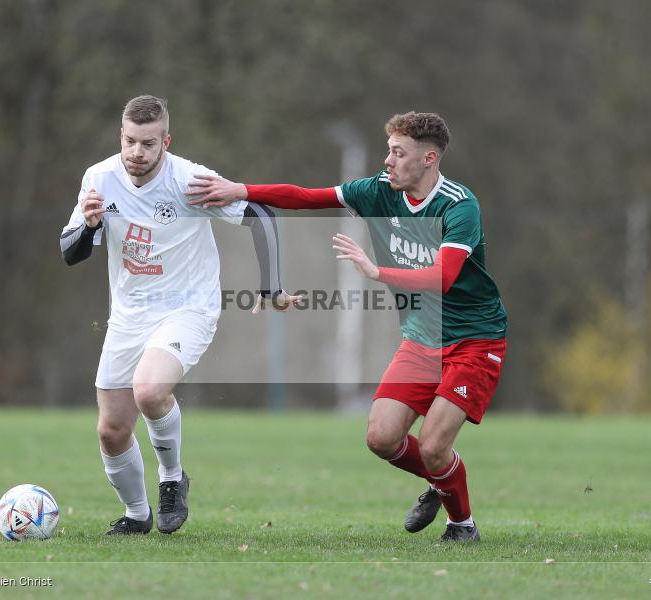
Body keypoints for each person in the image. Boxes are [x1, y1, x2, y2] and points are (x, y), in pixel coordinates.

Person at [188, 111, 507, 542]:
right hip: (421, 338)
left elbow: (443, 277)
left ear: (430, 158)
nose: (388, 161)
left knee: (433, 446)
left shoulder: (458, 205)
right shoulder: (377, 190)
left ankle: (462, 525)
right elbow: (304, 196)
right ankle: (440, 478)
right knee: (381, 437)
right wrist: (240, 189)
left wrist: (377, 274)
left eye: (399, 152)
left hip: (473, 339)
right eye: (388, 150)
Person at [60, 94, 298, 536]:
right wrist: (89, 226)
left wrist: (271, 288)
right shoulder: (99, 178)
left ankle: (172, 479)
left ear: (166, 142)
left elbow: (260, 215)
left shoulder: (191, 180)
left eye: (148, 144)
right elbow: (72, 253)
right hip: (129, 316)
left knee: (149, 390)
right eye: (130, 141)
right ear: (121, 136)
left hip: (188, 308)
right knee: (112, 431)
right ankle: (137, 515)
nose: (137, 152)